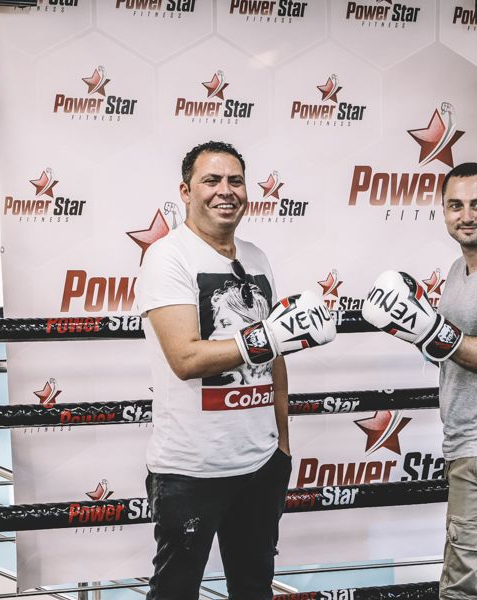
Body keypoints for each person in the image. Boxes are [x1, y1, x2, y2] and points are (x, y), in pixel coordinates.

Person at [136, 141, 336, 600]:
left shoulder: (256, 257)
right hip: (190, 470)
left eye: (235, 181)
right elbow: (185, 358)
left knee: (253, 589)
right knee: (175, 592)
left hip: (261, 463)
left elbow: (276, 357)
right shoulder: (168, 256)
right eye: (211, 180)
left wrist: (282, 444)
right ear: (186, 191)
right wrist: (269, 336)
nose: (225, 190)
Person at [362, 162, 477, 600]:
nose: (466, 216)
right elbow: (449, 349)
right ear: (444, 211)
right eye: (456, 206)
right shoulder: (458, 270)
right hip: (468, 442)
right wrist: (412, 328)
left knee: (462, 587)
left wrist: (428, 327)